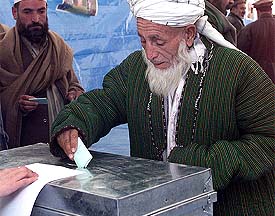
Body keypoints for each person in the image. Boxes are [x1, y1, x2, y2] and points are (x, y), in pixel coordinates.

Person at [50, 0, 275, 215]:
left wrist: (199, 164)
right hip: (157, 206)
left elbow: (268, 138)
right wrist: (74, 124)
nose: (149, 53)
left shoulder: (237, 71)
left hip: (229, 206)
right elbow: (104, 101)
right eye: (142, 40)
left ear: (188, 34)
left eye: (158, 41)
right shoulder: (136, 68)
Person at [0, 0, 84, 149]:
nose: (36, 19)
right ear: (14, 13)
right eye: (27, 12)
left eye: (41, 11)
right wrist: (19, 105)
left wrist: (74, 92)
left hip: (62, 141)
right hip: (26, 148)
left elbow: (73, 83)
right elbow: (4, 96)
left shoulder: (58, 47)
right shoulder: (5, 52)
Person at [238, 0, 275, 83]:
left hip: (257, 79)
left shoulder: (248, 29)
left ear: (258, 11)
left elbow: (241, 55)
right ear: (270, 10)